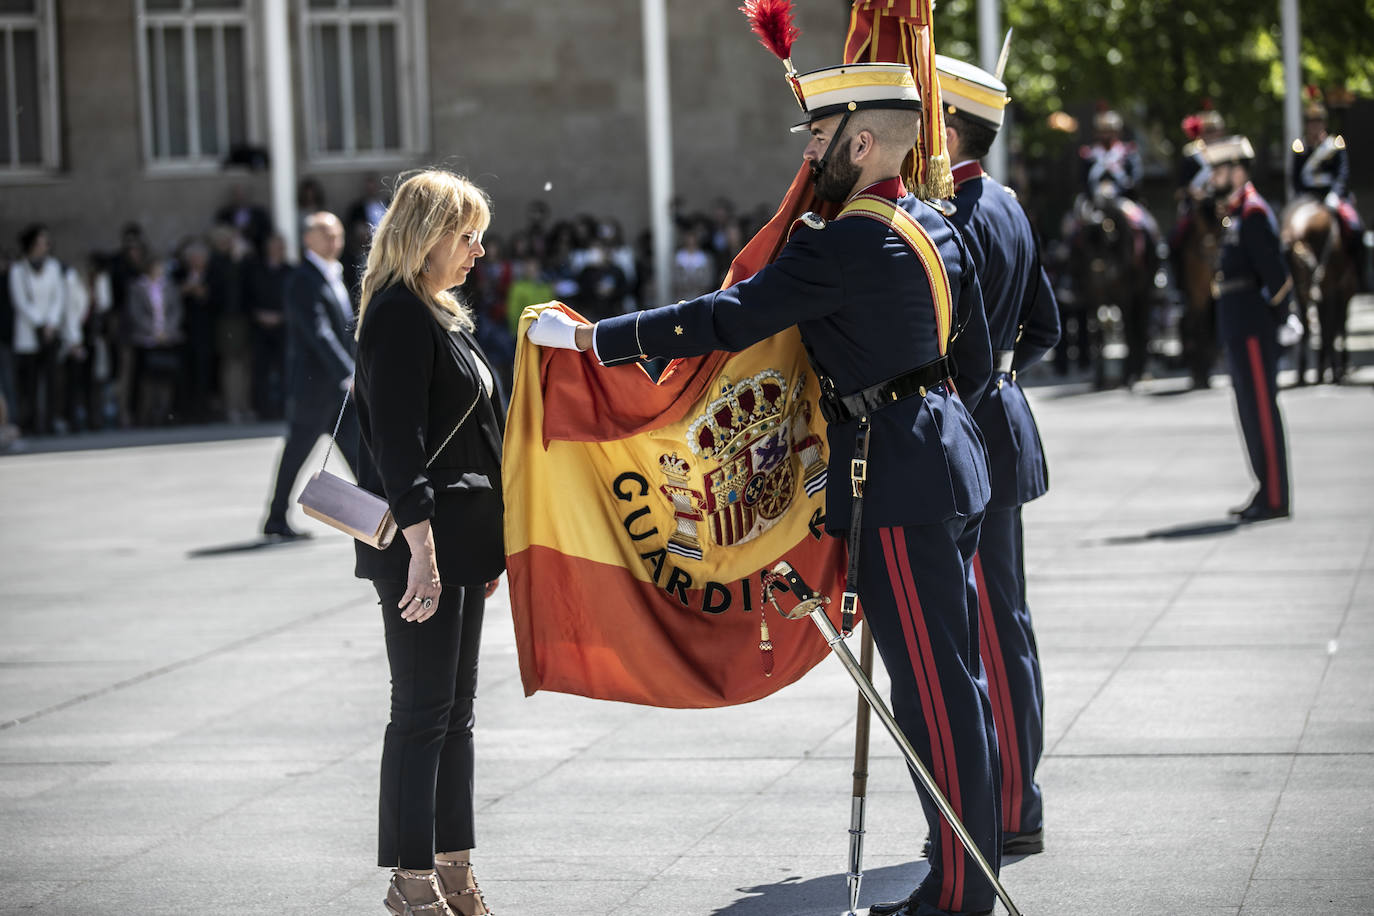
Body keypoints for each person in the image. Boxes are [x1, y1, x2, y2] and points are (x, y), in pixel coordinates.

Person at [528, 62, 1002, 916]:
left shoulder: (849, 242)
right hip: (946, 458)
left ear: (858, 143)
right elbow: (964, 355)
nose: (808, 158)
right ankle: (956, 870)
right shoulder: (930, 223)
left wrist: (595, 340)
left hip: (897, 476)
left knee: (932, 690)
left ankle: (962, 892)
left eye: (818, 140)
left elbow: (725, 315)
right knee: (951, 680)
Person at [869, 54, 1055, 873]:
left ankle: (1006, 811)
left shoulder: (957, 216)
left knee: (982, 629)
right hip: (1002, 420)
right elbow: (1042, 325)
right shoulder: (1007, 205)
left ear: (947, 128)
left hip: (964, 435)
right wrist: (1004, 382)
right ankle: (1018, 803)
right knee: (1005, 623)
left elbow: (951, 346)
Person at [352, 169, 504, 916]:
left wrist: (488, 548)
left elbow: (480, 439)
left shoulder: (441, 316)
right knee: (420, 710)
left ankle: (454, 863)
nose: (478, 249)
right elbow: (398, 444)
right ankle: (410, 878)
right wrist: (424, 550)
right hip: (421, 543)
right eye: (467, 234)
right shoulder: (397, 316)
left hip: (462, 543)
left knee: (456, 711)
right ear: (427, 235)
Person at [1204, 136, 1294, 522]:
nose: (1215, 177)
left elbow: (1277, 279)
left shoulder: (1254, 213)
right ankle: (1263, 489)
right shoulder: (1234, 213)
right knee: (1248, 412)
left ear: (1239, 171)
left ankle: (1275, 497)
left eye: (1221, 170)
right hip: (1238, 327)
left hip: (1254, 329)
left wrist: (1277, 320)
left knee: (1260, 410)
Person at [262, 211, 359, 539]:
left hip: (338, 389)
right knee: (296, 454)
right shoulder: (302, 279)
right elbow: (318, 333)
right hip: (314, 388)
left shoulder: (335, 274)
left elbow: (344, 331)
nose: (335, 240)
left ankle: (383, 517)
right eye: (326, 234)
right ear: (308, 239)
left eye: (338, 234)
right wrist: (348, 372)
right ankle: (276, 519)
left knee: (362, 453)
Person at [1288, 97, 1365, 286]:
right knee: (1287, 232)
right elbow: (1295, 178)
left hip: (1332, 197)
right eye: (1310, 122)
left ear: (1323, 123)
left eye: (1317, 122)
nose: (1314, 126)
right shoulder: (1300, 148)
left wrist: (1335, 194)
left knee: (1356, 227)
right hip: (1308, 198)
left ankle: (1360, 276)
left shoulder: (1335, 146)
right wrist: (1302, 196)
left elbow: (1342, 174)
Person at [8, 225, 65, 434]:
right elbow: (20, 302)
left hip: (49, 333)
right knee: (28, 383)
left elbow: (58, 298)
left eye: (46, 243)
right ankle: (30, 422)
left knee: (51, 380)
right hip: (29, 334)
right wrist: (39, 323)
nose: (45, 247)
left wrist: (51, 323)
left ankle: (49, 421)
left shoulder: (53, 267)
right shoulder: (18, 270)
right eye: (41, 242)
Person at [1079, 108, 1142, 198]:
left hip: (1123, 197)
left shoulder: (1128, 152)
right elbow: (1082, 181)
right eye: (1103, 131)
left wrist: (1118, 174)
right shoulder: (1089, 154)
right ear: (1096, 132)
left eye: (1111, 131)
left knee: (1136, 212)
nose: (1107, 135)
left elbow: (1135, 180)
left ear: (1118, 132)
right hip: (1094, 199)